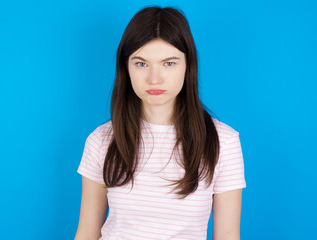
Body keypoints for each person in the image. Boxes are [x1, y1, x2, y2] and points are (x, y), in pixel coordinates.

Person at [74, 6, 246, 240]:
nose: (154, 78)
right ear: (126, 68)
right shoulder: (101, 140)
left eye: (169, 63)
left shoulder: (223, 141)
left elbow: (227, 235)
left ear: (188, 67)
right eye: (141, 63)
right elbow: (86, 233)